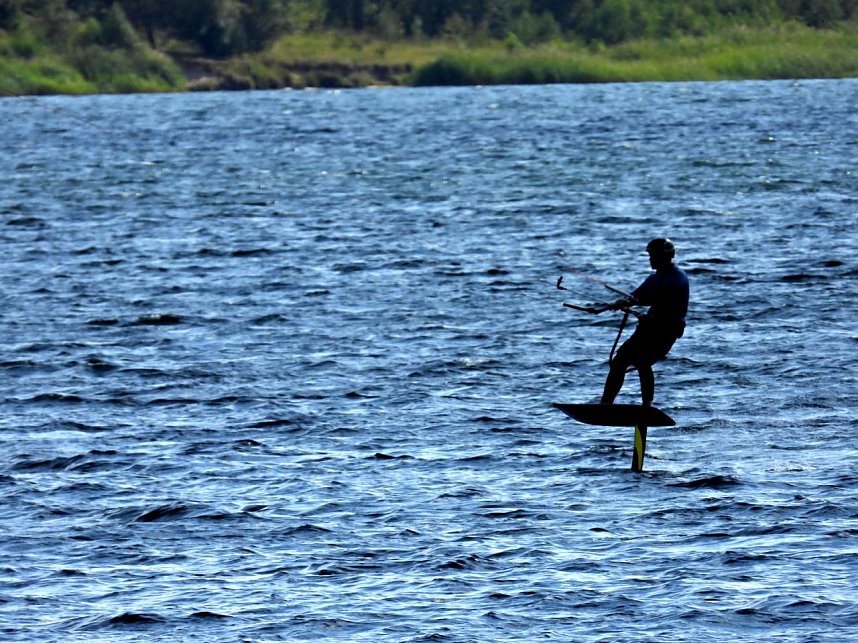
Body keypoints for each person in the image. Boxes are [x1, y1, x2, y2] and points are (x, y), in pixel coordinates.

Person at [600, 238, 689, 407]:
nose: (650, 259)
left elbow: (658, 297)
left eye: (652, 255)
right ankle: (605, 404)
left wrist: (632, 302)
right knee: (619, 361)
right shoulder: (654, 278)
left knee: (642, 361)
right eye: (649, 255)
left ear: (663, 256)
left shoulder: (677, 277)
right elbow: (636, 295)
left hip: (666, 331)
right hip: (649, 328)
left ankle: (646, 405)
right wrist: (621, 302)